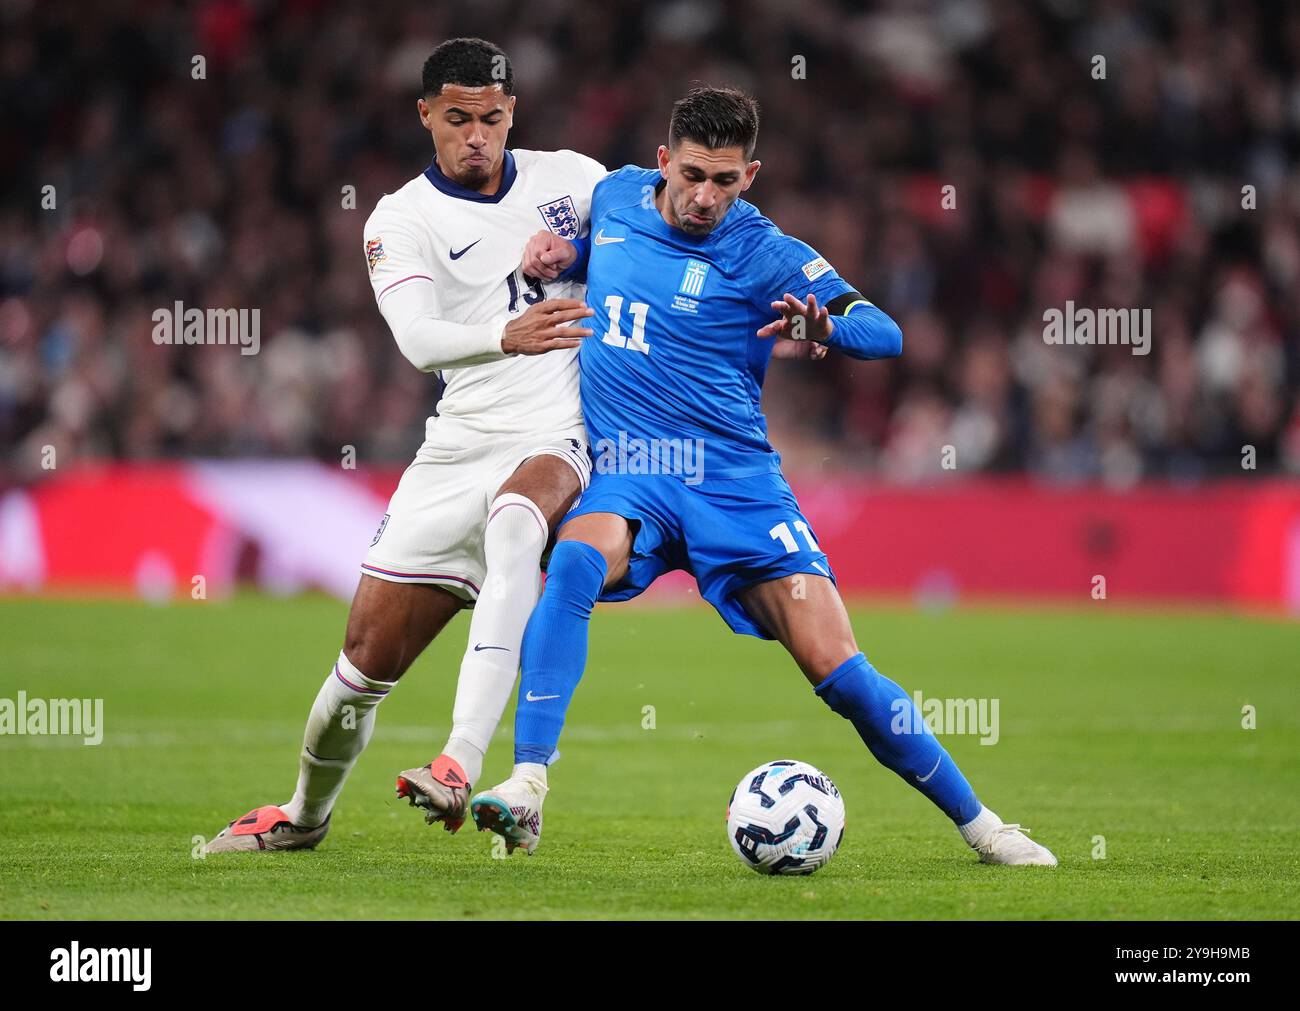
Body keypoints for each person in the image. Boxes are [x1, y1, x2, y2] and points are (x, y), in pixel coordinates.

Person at [470, 87, 1057, 867]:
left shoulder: (763, 250)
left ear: (751, 175)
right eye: (693, 175)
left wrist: (828, 326)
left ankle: (985, 826)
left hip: (736, 485)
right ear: (661, 162)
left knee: (839, 670)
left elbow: (885, 332)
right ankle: (528, 787)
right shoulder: (611, 197)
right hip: (637, 471)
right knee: (573, 560)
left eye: (726, 180)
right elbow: (599, 258)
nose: (706, 196)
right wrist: (560, 256)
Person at [203, 37, 605, 852]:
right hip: (456, 447)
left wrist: (588, 252)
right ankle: (302, 818)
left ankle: (463, 763)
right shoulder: (400, 218)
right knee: (358, 671)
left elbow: (659, 240)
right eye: (457, 119)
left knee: (519, 523)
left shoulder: (577, 179)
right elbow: (419, 338)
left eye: (491, 118)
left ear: (511, 114)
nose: (476, 135)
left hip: (557, 431)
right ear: (425, 114)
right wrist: (508, 331)